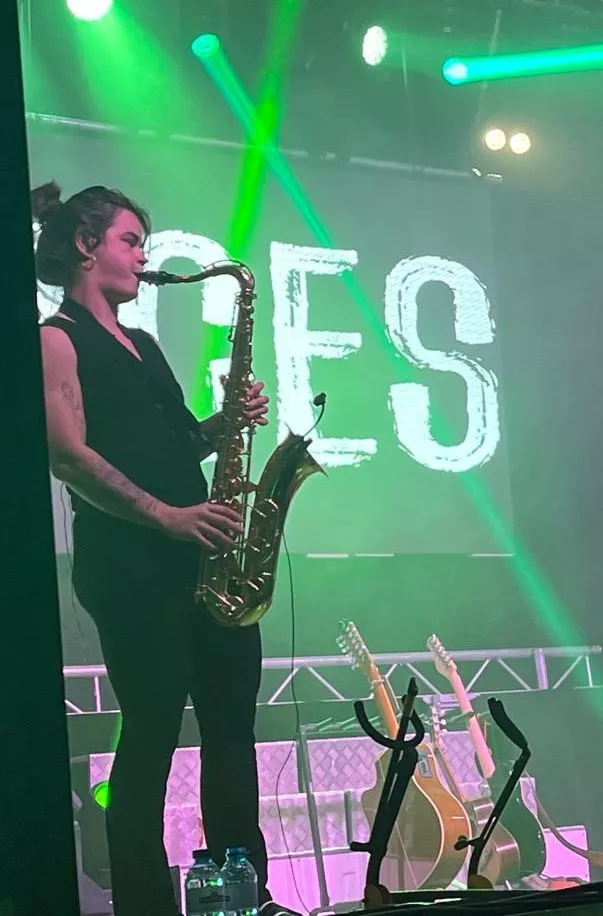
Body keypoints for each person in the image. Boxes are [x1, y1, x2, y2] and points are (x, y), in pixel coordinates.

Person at [34, 182, 295, 915]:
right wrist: (168, 517)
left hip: (197, 557)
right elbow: (67, 456)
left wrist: (223, 424)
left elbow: (178, 444)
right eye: (130, 241)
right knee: (150, 732)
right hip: (128, 563)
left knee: (231, 729)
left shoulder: (142, 344)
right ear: (85, 245)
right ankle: (145, 904)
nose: (143, 258)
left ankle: (245, 894)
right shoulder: (56, 339)